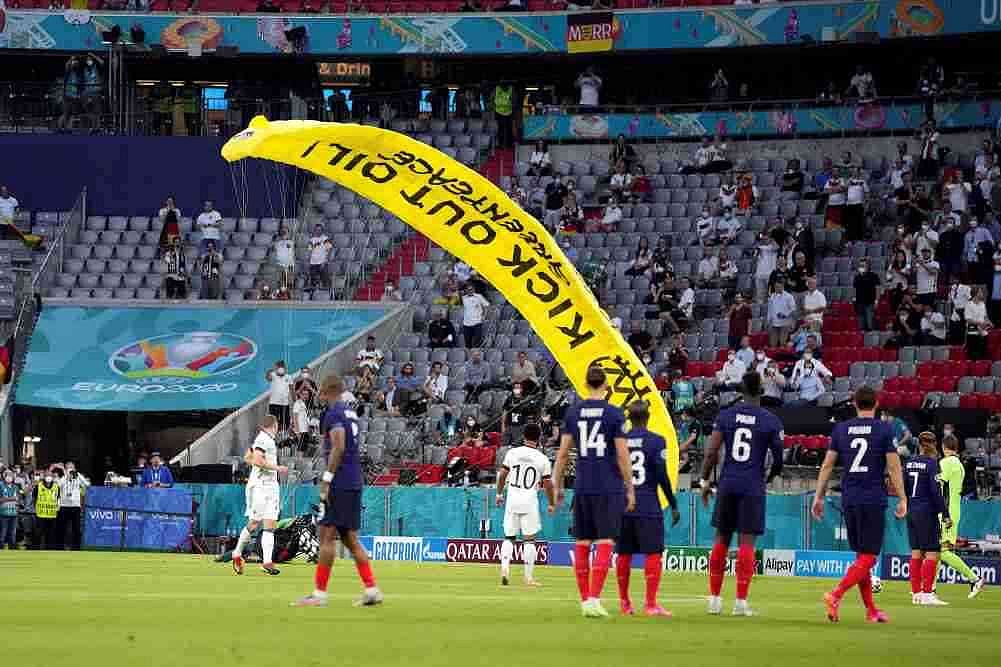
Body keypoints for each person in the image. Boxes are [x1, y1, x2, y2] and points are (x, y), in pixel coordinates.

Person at [812, 386, 906, 624]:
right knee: (870, 557)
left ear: (854, 403)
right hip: (872, 498)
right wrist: (903, 498)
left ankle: (871, 610)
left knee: (861, 556)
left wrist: (818, 496)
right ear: (876, 404)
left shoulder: (841, 429)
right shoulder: (884, 430)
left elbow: (827, 465)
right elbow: (894, 467)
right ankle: (836, 594)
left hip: (850, 499)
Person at [553, 365, 635, 619]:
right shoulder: (614, 414)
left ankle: (584, 600)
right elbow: (622, 454)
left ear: (587, 384)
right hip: (608, 486)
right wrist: (630, 487)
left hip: (583, 485)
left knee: (581, 542)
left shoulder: (574, 413)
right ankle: (594, 599)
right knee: (605, 542)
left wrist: (557, 485)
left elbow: (563, 453)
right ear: (606, 385)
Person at [294, 374, 383, 607]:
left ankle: (319, 595)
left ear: (325, 391)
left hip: (339, 483)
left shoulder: (332, 413)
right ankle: (372, 589)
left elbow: (339, 445)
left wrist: (326, 479)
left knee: (325, 536)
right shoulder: (351, 413)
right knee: (351, 539)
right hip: (355, 481)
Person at [700, 371, 784, 617]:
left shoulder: (726, 416)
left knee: (721, 539)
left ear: (741, 390)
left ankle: (714, 600)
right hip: (752, 485)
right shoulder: (770, 421)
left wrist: (704, 480)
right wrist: (769, 477)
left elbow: (711, 451)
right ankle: (740, 603)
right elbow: (779, 458)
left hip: (727, 483)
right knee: (746, 542)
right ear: (761, 390)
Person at [607, 400, 682, 618]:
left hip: (623, 503)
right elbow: (661, 475)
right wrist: (673, 503)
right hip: (648, 502)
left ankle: (624, 603)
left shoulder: (618, 442)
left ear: (629, 419)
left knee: (624, 553)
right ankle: (650, 604)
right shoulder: (657, 441)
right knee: (653, 553)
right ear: (648, 417)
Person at [495, 423, 556, 587]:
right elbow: (548, 484)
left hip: (512, 499)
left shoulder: (512, 453)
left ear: (524, 436)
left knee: (509, 537)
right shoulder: (542, 458)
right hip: (529, 500)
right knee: (529, 540)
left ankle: (505, 570)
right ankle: (528, 578)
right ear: (539, 438)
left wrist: (499, 493)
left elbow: (502, 475)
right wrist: (551, 503)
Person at [231, 416, 287, 576]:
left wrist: (262, 465)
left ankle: (267, 562)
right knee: (255, 523)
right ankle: (237, 553)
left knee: (270, 525)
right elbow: (256, 459)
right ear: (275, 426)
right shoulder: (263, 439)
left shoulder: (264, 440)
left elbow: (247, 457)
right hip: (261, 487)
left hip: (271, 486)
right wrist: (277, 468)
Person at [935, 435, 986, 600]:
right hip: (954, 510)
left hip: (946, 512)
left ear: (944, 447)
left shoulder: (946, 463)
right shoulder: (960, 465)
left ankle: (975, 579)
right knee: (936, 550)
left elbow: (938, 486)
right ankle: (930, 589)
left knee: (942, 551)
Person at [904, 432, 949, 606]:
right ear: (933, 444)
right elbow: (935, 492)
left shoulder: (908, 463)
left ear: (919, 444)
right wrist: (944, 514)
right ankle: (928, 594)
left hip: (912, 511)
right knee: (932, 552)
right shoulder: (932, 465)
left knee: (916, 551)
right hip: (926, 512)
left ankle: (916, 593)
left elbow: (905, 487)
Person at [56, 463, 88, 551]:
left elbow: (87, 484)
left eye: (72, 468)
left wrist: (78, 475)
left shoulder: (78, 477)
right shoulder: (64, 478)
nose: (70, 469)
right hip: (64, 506)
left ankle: (76, 548)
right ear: (66, 469)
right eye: (68, 468)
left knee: (76, 529)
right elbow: (58, 484)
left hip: (75, 506)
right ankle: (61, 547)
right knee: (62, 528)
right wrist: (66, 475)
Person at [32, 471, 60, 550]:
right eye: (47, 475)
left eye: (50, 475)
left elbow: (58, 499)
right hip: (40, 514)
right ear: (44, 477)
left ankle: (49, 550)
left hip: (52, 515)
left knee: (51, 535)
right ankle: (36, 549)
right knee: (38, 534)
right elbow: (34, 499)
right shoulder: (38, 486)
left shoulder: (56, 487)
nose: (48, 477)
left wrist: (57, 509)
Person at [964, 287, 992, 360]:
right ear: (976, 294)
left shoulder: (983, 304)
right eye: (980, 292)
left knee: (983, 355)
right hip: (973, 333)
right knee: (973, 356)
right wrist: (980, 323)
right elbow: (968, 320)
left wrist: (989, 322)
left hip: (983, 332)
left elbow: (985, 316)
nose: (982, 294)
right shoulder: (969, 305)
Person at [853, 258, 880, 330]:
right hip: (859, 303)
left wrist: (876, 300)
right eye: (860, 265)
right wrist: (854, 299)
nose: (861, 267)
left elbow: (877, 288)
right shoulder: (857, 277)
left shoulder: (874, 276)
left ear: (868, 266)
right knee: (861, 325)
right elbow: (855, 289)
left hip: (870, 302)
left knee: (870, 324)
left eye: (863, 265)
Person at [265, 361, 292, 432]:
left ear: (285, 368)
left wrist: (295, 401)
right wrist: (272, 370)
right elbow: (268, 378)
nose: (281, 368)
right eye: (279, 367)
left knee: (286, 422)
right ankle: (274, 436)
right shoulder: (273, 375)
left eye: (282, 367)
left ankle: (285, 435)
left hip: (285, 404)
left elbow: (292, 390)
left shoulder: (289, 377)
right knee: (274, 421)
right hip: (274, 403)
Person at [307, 224, 333, 291]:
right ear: (314, 230)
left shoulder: (325, 239)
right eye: (317, 229)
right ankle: (313, 294)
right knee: (313, 280)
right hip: (313, 263)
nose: (318, 231)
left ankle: (327, 293)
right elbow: (310, 251)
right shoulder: (311, 240)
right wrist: (309, 261)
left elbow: (329, 250)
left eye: (319, 230)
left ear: (322, 230)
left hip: (322, 262)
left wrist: (325, 261)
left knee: (325, 279)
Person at [0, 469, 17, 549]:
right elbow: (1, 499)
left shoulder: (15, 487)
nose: (9, 477)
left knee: (13, 533)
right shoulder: (1, 485)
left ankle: (12, 548)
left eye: (11, 475)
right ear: (4, 476)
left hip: (14, 513)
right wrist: (11, 499)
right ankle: (1, 547)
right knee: (3, 532)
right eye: (7, 475)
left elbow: (19, 498)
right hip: (4, 513)